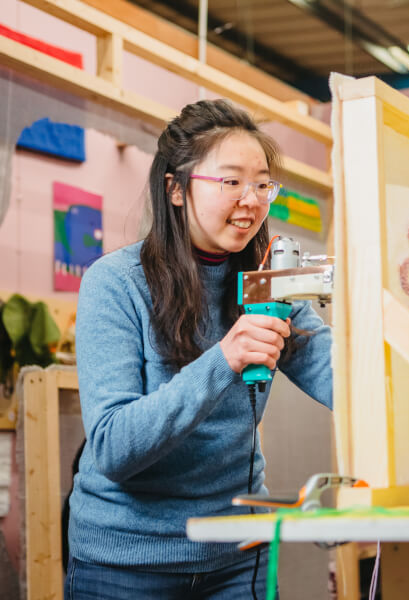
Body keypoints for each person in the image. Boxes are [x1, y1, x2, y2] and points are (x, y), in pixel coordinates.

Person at [65, 99, 332, 599]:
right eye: (231, 181)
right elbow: (113, 448)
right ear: (176, 189)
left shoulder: (268, 285)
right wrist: (224, 359)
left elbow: (343, 377)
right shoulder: (116, 284)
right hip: (126, 560)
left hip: (237, 552)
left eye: (262, 183)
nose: (251, 199)